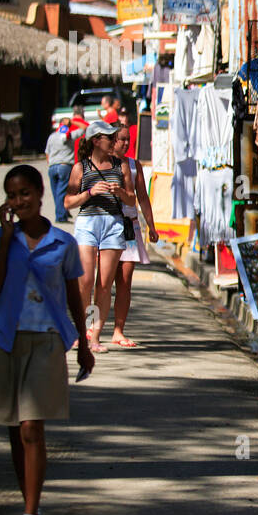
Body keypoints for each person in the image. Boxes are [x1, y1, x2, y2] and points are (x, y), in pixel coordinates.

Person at [0, 164, 94, 515]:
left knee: (32, 427)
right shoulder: (3, 237)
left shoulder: (62, 244)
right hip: (6, 341)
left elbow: (74, 295)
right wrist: (6, 238)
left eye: (25, 194)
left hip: (46, 341)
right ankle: (32, 508)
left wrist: (83, 343)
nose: (18, 201)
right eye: (11, 196)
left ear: (40, 194)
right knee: (14, 429)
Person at [66, 120, 135, 353]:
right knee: (85, 281)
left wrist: (121, 192)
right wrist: (89, 192)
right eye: (110, 137)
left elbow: (132, 199)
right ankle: (82, 330)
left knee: (104, 285)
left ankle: (94, 337)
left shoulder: (121, 166)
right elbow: (68, 202)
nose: (115, 141)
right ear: (96, 140)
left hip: (113, 224)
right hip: (88, 223)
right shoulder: (80, 168)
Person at [109, 123, 158, 347]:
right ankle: (92, 325)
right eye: (122, 139)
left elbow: (143, 198)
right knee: (101, 281)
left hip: (129, 226)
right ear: (111, 141)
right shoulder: (100, 165)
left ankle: (119, 330)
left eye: (128, 139)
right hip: (106, 226)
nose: (127, 143)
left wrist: (152, 226)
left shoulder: (134, 165)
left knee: (125, 281)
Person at [45, 118, 76, 223]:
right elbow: (84, 128)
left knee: (56, 193)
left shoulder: (52, 136)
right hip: (64, 166)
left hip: (52, 167)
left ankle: (62, 212)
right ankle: (61, 216)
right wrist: (73, 121)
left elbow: (47, 152)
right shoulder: (71, 136)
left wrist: (50, 163)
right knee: (61, 192)